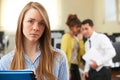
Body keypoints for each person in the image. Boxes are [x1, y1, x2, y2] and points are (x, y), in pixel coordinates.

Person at [0, 2, 69, 80]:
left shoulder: (59, 58)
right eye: (30, 21)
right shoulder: (5, 62)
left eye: (41, 23)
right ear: (21, 23)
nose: (36, 28)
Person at [61, 14, 85, 80]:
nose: (79, 29)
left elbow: (82, 53)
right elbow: (63, 54)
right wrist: (67, 71)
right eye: (77, 27)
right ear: (71, 27)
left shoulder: (76, 38)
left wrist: (80, 40)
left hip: (76, 66)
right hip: (69, 66)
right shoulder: (66, 37)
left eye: (79, 27)